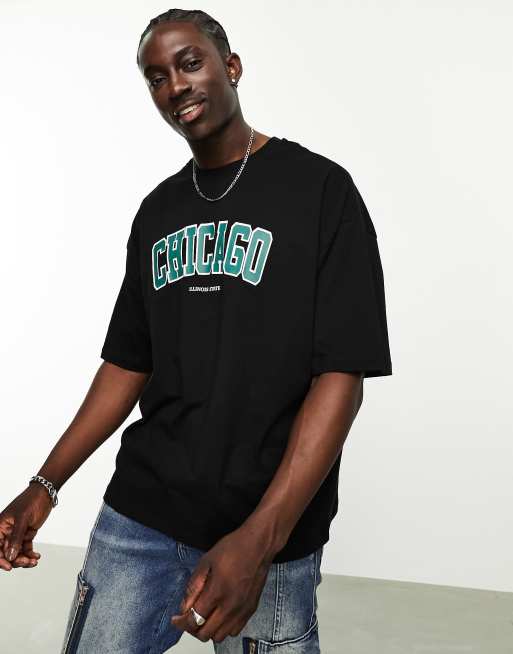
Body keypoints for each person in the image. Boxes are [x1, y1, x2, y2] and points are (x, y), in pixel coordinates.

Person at [0, 8, 392, 653]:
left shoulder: (321, 190)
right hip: (144, 517)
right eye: (156, 77)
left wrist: (261, 538)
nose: (175, 86)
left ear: (230, 67)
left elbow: (341, 376)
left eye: (189, 63)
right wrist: (44, 485)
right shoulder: (158, 211)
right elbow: (128, 363)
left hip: (270, 527)